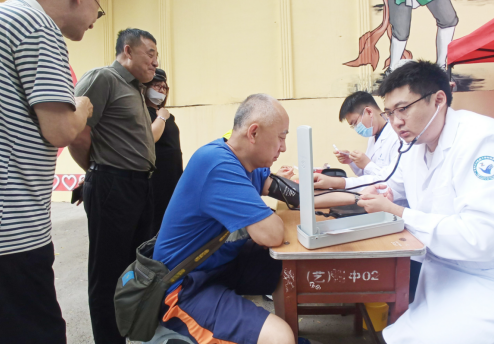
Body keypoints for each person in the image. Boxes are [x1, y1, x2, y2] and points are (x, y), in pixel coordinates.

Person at [357, 61, 494, 344]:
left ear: (438, 100)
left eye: (403, 108)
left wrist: (399, 212)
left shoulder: (486, 142)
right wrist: (375, 194)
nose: (395, 121)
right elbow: (391, 185)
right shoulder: (416, 147)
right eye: (390, 112)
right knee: (398, 335)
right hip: (448, 273)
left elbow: (482, 238)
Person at [153, 94, 354, 344]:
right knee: (280, 337)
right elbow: (271, 234)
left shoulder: (247, 163)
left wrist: (356, 197)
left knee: (285, 262)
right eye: (281, 137)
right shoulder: (217, 165)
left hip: (217, 267)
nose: (283, 147)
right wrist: (267, 216)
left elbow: (295, 196)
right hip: (183, 287)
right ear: (254, 133)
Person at [0, 0, 98, 344]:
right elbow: (59, 130)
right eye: (97, 10)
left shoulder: (3, 17)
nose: (94, 21)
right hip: (13, 229)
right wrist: (82, 106)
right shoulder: (38, 26)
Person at [69, 28, 158, 344]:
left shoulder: (134, 88)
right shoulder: (103, 78)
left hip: (138, 188)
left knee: (135, 268)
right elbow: (76, 132)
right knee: (107, 275)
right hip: (113, 186)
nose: (155, 62)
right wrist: (98, 171)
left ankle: (130, 330)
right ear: (128, 51)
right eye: (150, 53)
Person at [315, 91, 399, 191]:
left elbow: (393, 182)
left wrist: (367, 164)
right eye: (353, 126)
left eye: (355, 123)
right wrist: (352, 161)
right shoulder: (373, 136)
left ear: (369, 112)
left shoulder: (397, 137)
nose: (356, 129)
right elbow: (366, 176)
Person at [145, 68, 183, 235]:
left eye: (164, 87)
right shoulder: (144, 113)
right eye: (156, 86)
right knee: (156, 220)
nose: (161, 90)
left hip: (172, 176)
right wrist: (160, 116)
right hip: (156, 178)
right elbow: (151, 137)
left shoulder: (167, 115)